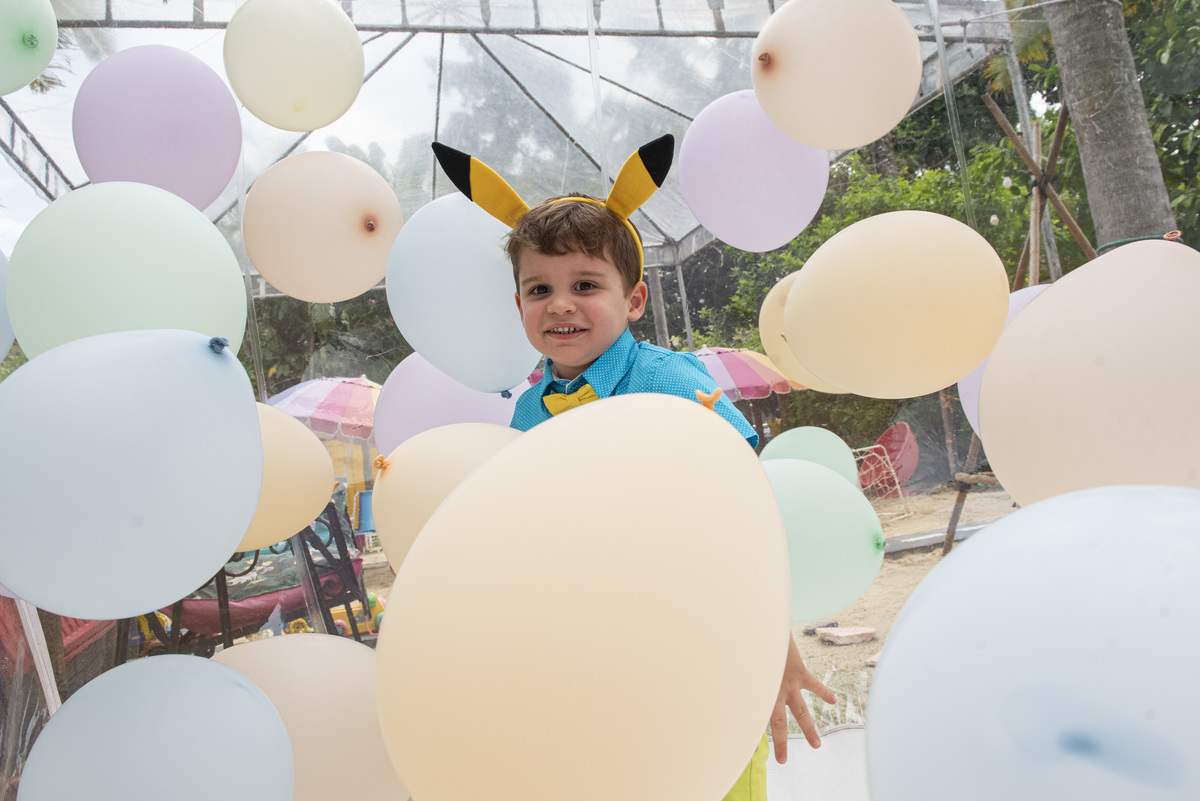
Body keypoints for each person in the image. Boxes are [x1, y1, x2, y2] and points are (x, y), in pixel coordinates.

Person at [433, 136, 836, 801]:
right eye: (540, 289)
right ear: (518, 307)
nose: (560, 304)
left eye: (585, 285)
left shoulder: (669, 380)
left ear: (636, 298)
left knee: (714, 775)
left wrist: (775, 642)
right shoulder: (528, 413)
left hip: (700, 636)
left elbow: (742, 508)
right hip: (599, 650)